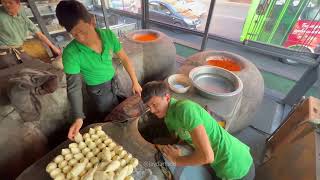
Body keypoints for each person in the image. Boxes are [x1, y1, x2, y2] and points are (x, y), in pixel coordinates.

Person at [55, 0, 142, 140]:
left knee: (123, 106)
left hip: (115, 80)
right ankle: (117, 138)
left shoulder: (108, 36)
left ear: (92, 21)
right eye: (75, 35)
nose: (81, 38)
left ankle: (127, 131)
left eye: (83, 31)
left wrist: (135, 81)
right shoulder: (71, 53)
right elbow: (74, 87)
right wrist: (78, 117)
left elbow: (124, 58)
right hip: (98, 90)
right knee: (108, 116)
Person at [141, 81, 255, 180]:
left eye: (154, 104)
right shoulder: (168, 117)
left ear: (166, 98)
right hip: (220, 165)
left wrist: (177, 159)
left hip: (235, 165)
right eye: (148, 106)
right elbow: (177, 138)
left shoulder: (185, 109)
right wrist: (158, 145)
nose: (151, 110)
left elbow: (207, 156)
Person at [0, 0, 61, 69]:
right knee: (15, 73)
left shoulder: (21, 14)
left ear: (18, 3)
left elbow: (39, 34)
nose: (6, 5)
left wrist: (53, 47)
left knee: (34, 69)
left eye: (10, 3)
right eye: (4, 2)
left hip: (19, 49)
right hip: (4, 53)